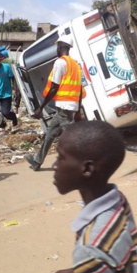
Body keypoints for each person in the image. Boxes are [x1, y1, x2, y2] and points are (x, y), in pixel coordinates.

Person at [46, 121, 137, 273]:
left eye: (60, 158)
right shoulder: (117, 200)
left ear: (87, 169)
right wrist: (82, 272)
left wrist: (89, 265)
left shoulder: (90, 250)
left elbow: (98, 252)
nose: (54, 166)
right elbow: (116, 256)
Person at [24, 34, 83, 171]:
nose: (56, 49)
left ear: (61, 46)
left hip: (64, 106)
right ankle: (37, 161)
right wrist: (78, 110)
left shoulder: (60, 63)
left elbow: (54, 88)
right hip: (69, 106)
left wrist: (41, 107)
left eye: (57, 46)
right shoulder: (75, 64)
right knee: (51, 133)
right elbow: (79, 89)